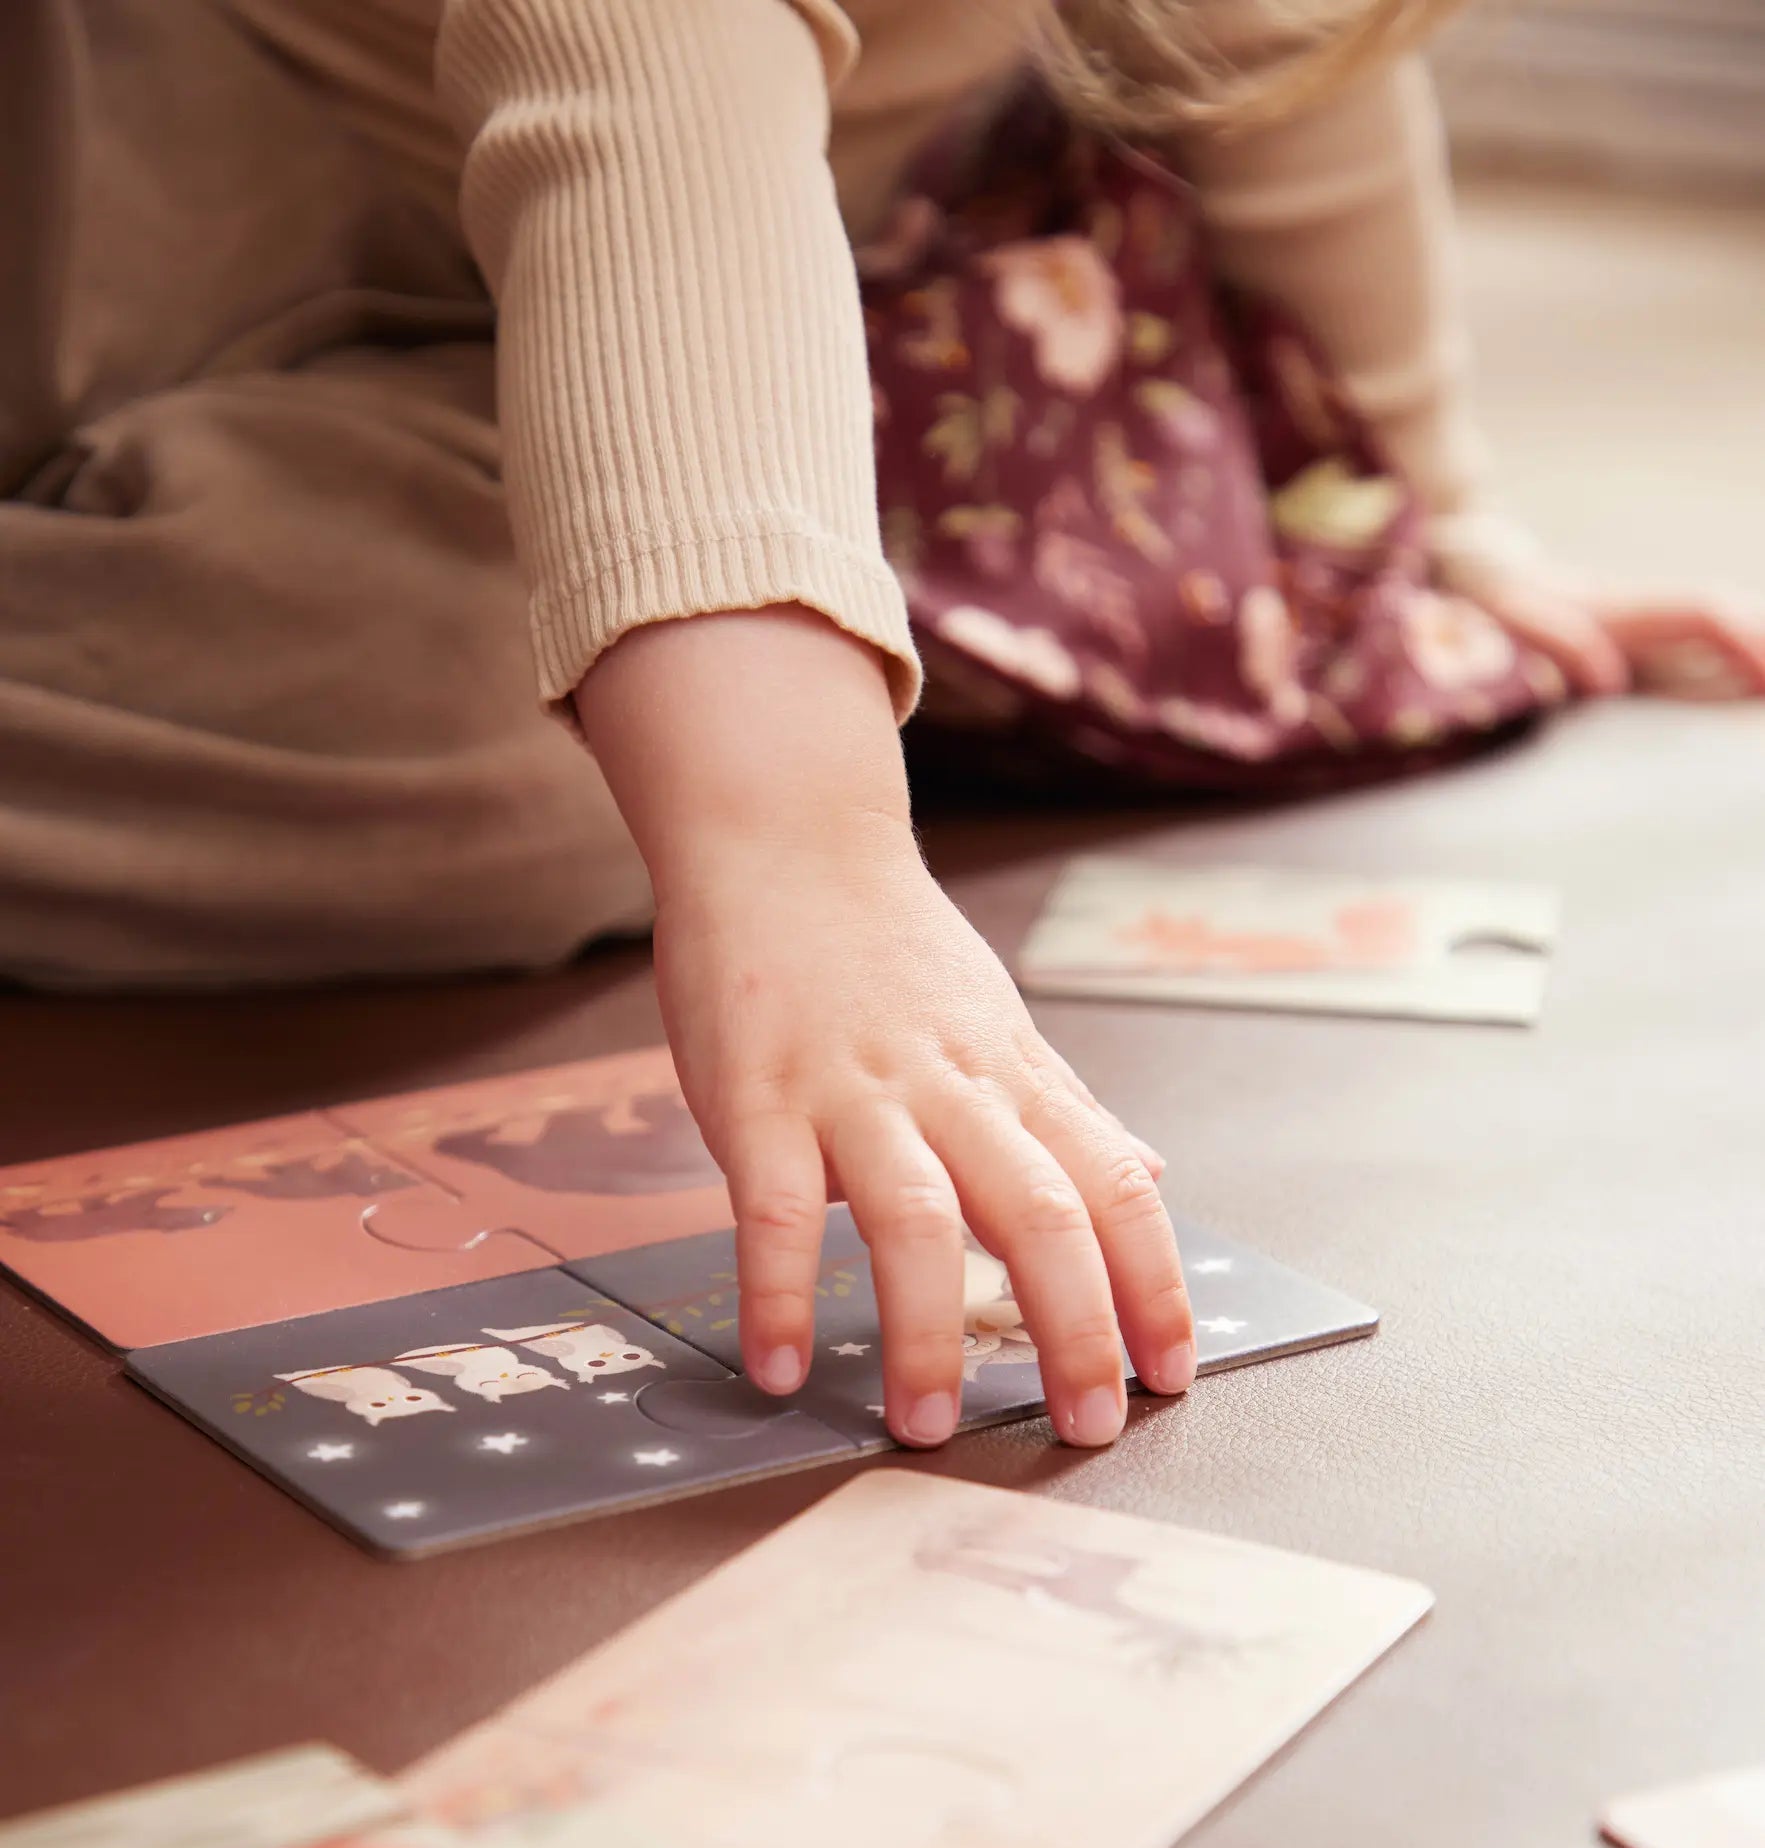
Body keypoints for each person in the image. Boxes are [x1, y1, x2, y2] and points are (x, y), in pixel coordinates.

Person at [3, 0, 1761, 1455]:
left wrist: (1435, 522)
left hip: (691, 319)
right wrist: (796, 847)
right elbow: (645, 86)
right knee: (599, 752)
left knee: (577, 730)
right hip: (200, 237)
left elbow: (1288, 45)